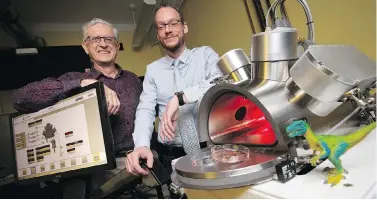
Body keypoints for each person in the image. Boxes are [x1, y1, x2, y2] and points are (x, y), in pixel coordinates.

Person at [12, 18, 143, 197]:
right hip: (91, 171)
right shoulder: (74, 79)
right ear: (85, 46)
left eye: (109, 39)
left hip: (134, 162)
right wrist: (84, 83)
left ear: (117, 45)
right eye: (95, 39)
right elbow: (20, 98)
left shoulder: (134, 80)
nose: (103, 44)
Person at [126, 3, 221, 176]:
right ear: (158, 34)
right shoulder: (152, 70)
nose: (167, 30)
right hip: (170, 154)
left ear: (184, 27)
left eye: (173, 23)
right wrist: (141, 145)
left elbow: (220, 82)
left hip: (211, 147)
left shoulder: (205, 55)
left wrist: (180, 98)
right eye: (161, 26)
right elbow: (145, 109)